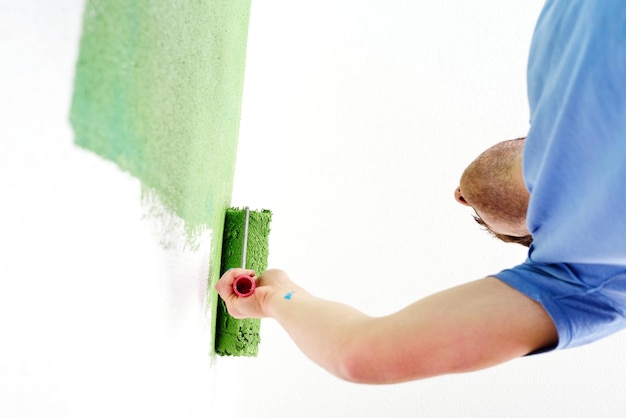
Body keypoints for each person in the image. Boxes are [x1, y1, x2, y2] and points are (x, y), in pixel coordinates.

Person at [216, 0, 626, 384]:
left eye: (487, 226)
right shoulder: (558, 51)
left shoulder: (594, 280)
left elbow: (361, 352)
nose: (461, 198)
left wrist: (277, 297)